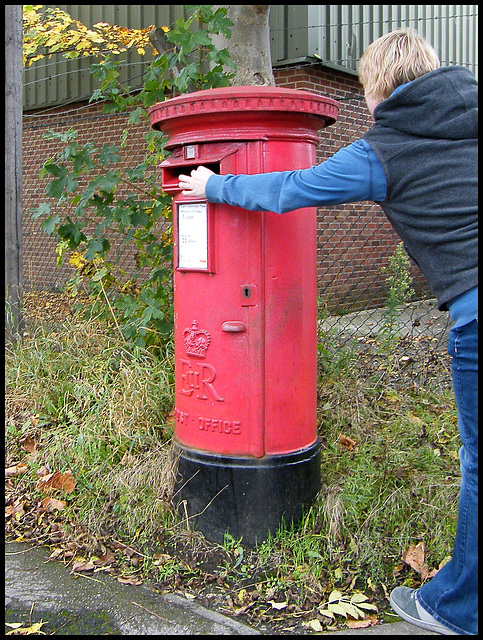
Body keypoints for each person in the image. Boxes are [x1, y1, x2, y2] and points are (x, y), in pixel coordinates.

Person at [178, 29, 478, 635]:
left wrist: (212, 187)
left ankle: (455, 609)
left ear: (376, 89)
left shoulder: (385, 148)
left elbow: (292, 188)